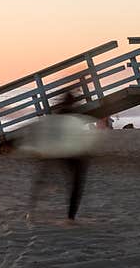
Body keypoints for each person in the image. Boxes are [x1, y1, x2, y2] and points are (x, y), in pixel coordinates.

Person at [22, 92, 96, 223]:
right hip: (71, 153)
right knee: (76, 185)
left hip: (54, 152)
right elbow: (78, 136)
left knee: (41, 180)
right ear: (73, 102)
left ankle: (30, 211)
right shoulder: (73, 116)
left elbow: (41, 130)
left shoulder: (55, 115)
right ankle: (70, 218)